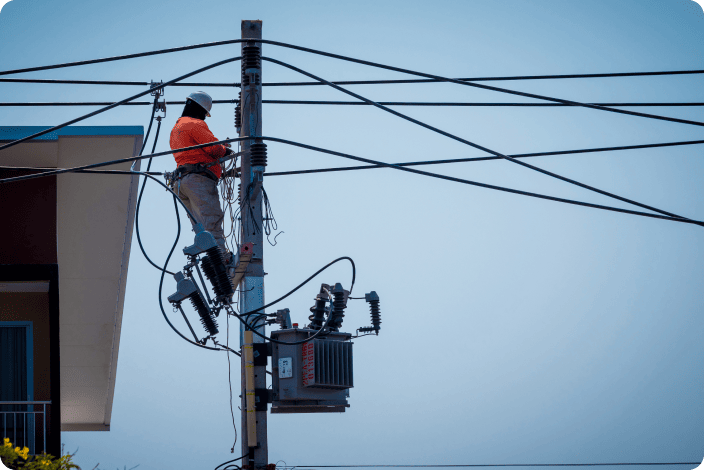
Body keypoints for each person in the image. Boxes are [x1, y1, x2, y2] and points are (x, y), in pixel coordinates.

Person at [170, 91, 236, 267]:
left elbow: (195, 152)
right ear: (197, 108)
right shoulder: (195, 124)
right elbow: (214, 149)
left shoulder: (176, 129)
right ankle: (221, 258)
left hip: (181, 182)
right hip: (197, 180)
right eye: (204, 114)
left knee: (201, 229)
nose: (204, 118)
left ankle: (213, 258)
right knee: (211, 221)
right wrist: (225, 150)